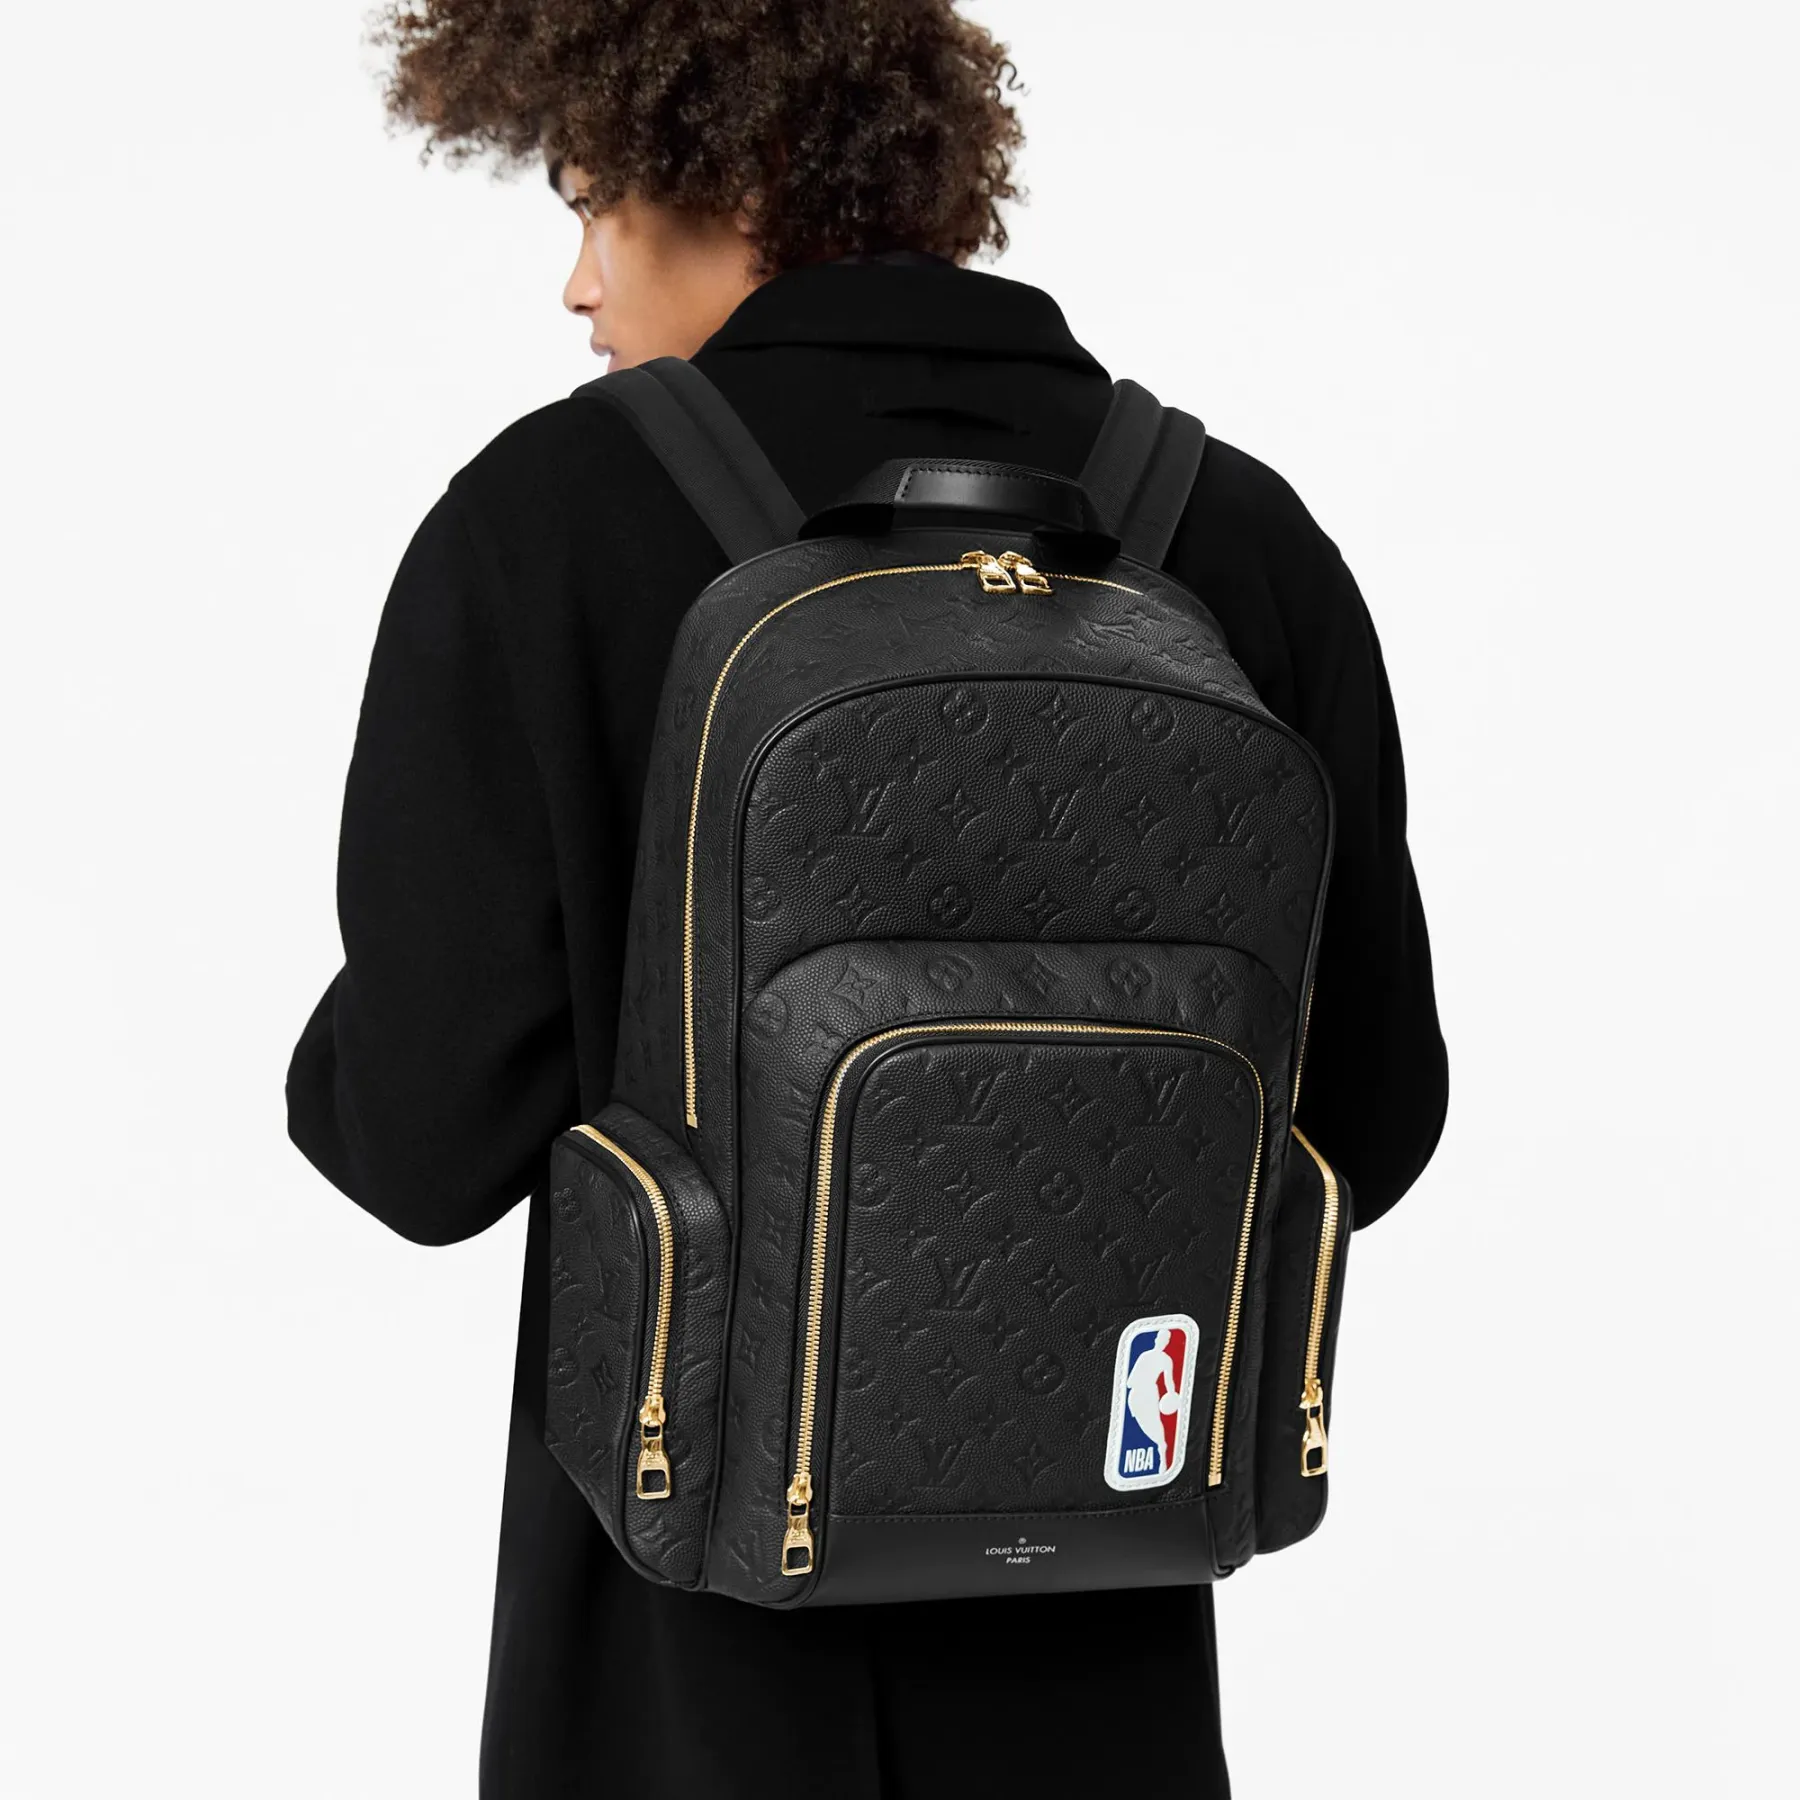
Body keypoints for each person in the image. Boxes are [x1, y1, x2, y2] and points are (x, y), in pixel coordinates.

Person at [286, 2, 1450, 1793]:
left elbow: (418, 1144)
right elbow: (1376, 1114)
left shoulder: (549, 519)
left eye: (592, 203)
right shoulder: (1233, 534)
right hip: (1107, 1621)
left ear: (735, 163)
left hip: (682, 1660)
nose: (578, 287)